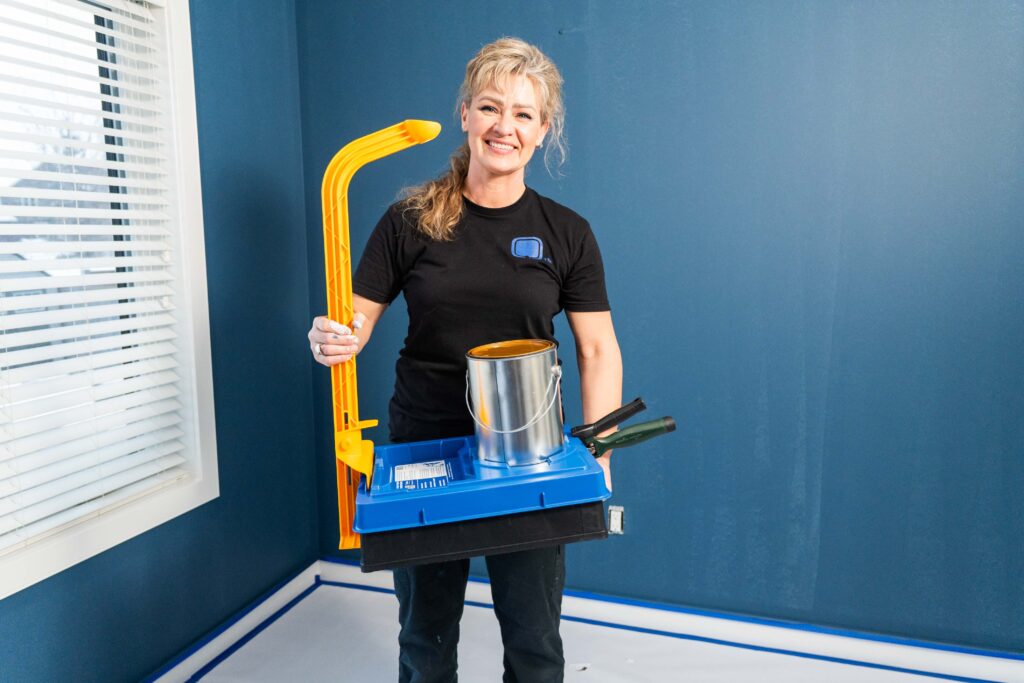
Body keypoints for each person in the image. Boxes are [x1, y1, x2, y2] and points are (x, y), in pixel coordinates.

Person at [308, 37, 622, 683]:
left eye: (524, 114)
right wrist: (335, 336)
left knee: (535, 637)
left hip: (529, 450)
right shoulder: (411, 219)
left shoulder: (568, 232)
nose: (504, 126)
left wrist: (601, 451)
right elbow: (356, 321)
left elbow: (596, 347)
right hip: (425, 439)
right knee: (425, 632)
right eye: (490, 107)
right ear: (466, 115)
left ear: (543, 131)